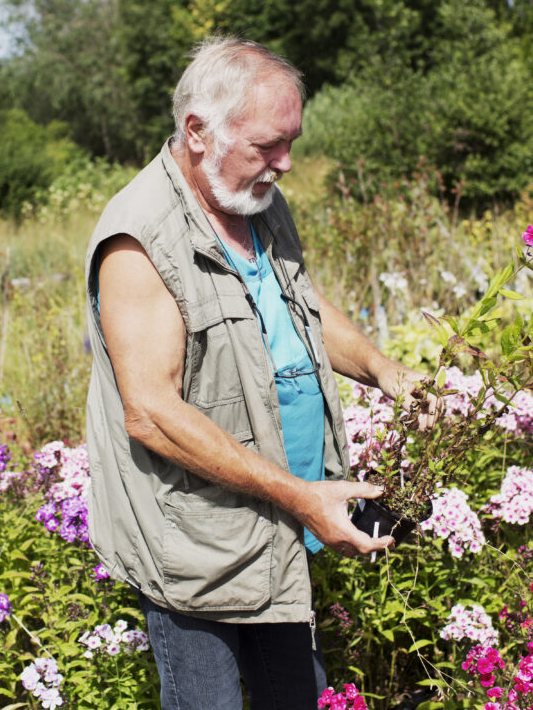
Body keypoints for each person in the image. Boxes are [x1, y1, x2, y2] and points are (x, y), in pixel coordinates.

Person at [84, 37, 432, 710]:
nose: (286, 163)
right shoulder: (140, 240)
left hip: (277, 521)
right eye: (269, 145)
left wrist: (382, 368)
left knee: (299, 699)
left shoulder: (253, 199)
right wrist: (300, 496)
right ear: (197, 131)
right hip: (196, 546)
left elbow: (299, 305)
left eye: (291, 143)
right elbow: (151, 412)